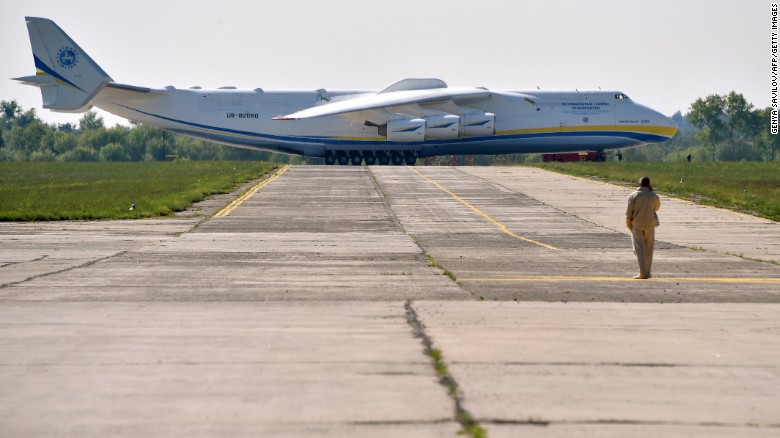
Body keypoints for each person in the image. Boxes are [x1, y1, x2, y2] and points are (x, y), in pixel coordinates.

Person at [625, 176, 660, 279]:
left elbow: (628, 213)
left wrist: (629, 225)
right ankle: (647, 272)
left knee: (639, 249)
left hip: (637, 224)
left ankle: (642, 273)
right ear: (648, 184)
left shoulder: (634, 195)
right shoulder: (653, 195)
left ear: (639, 184)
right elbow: (657, 207)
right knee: (649, 249)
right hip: (650, 224)